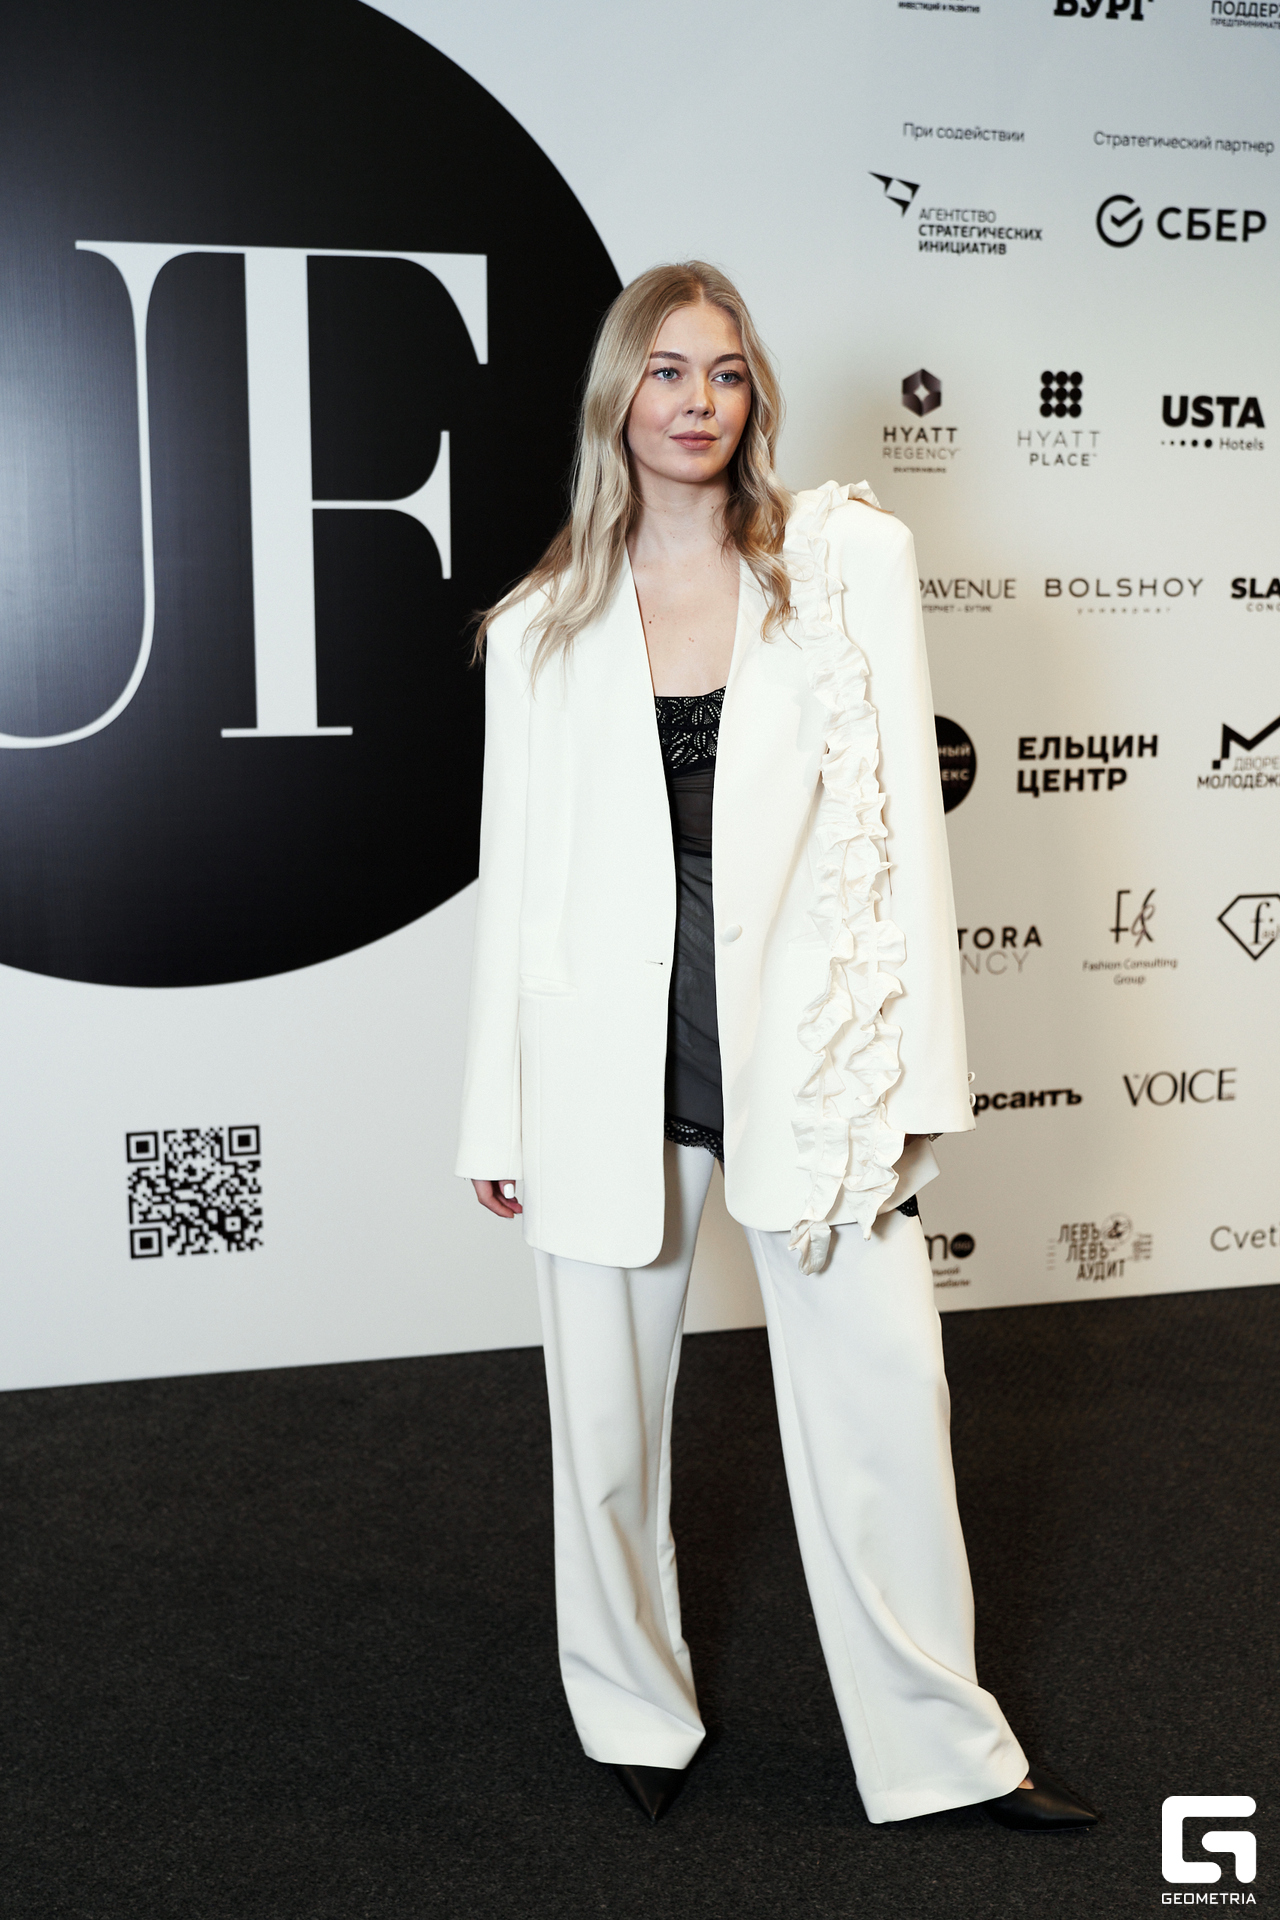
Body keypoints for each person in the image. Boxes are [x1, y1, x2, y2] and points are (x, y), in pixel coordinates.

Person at [456, 261, 1096, 1833]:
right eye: (666, 369)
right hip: (606, 1071)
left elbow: (908, 845)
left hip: (815, 1059)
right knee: (606, 1430)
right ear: (618, 395)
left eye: (726, 371)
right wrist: (496, 1116)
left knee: (888, 1405)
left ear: (756, 397)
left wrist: (916, 1080)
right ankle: (630, 1707)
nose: (697, 401)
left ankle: (948, 1749)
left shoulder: (846, 561)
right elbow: (515, 890)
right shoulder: (541, 624)